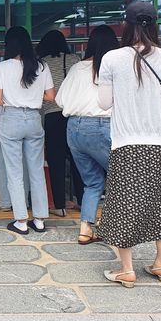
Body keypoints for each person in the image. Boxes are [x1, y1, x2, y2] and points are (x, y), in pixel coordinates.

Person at [97, 1, 161, 288]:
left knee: (124, 203)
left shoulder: (111, 58)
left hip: (126, 142)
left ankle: (126, 268)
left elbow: (104, 103)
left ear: (126, 25)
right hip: (160, 142)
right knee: (160, 202)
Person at [56, 25, 119, 244]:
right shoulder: (115, 69)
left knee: (92, 182)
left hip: (74, 129)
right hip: (104, 126)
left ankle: (85, 229)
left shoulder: (77, 68)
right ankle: (107, 224)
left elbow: (60, 100)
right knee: (120, 177)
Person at [0, 26, 56, 235]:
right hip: (34, 119)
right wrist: (32, 97)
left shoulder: (2, 67)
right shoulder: (41, 66)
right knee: (36, 170)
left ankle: (21, 220)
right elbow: (50, 96)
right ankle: (39, 219)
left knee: (15, 172)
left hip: (12, 119)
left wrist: (13, 98)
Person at [37, 29, 84, 216]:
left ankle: (59, 205)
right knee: (78, 162)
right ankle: (82, 200)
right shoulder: (74, 60)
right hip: (72, 115)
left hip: (52, 116)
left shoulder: (42, 64)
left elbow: (41, 96)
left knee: (55, 163)